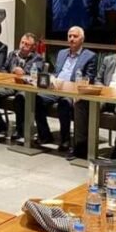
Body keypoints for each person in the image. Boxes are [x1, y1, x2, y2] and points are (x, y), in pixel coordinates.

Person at [34, 26, 97, 157]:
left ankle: (65, 140)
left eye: (75, 36)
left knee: (64, 104)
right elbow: (57, 72)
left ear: (82, 39)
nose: (71, 39)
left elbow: (89, 79)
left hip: (72, 92)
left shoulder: (90, 56)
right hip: (55, 88)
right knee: (37, 99)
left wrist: (70, 86)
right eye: (70, 36)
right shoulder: (62, 53)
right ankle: (45, 135)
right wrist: (51, 79)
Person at [0, 33, 43, 144]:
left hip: (26, 87)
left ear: (33, 47)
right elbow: (3, 68)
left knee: (20, 97)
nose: (23, 46)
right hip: (10, 85)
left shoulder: (38, 58)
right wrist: (10, 73)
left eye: (27, 44)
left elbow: (37, 73)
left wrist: (23, 72)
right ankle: (1, 123)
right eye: (22, 43)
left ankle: (19, 129)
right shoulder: (12, 54)